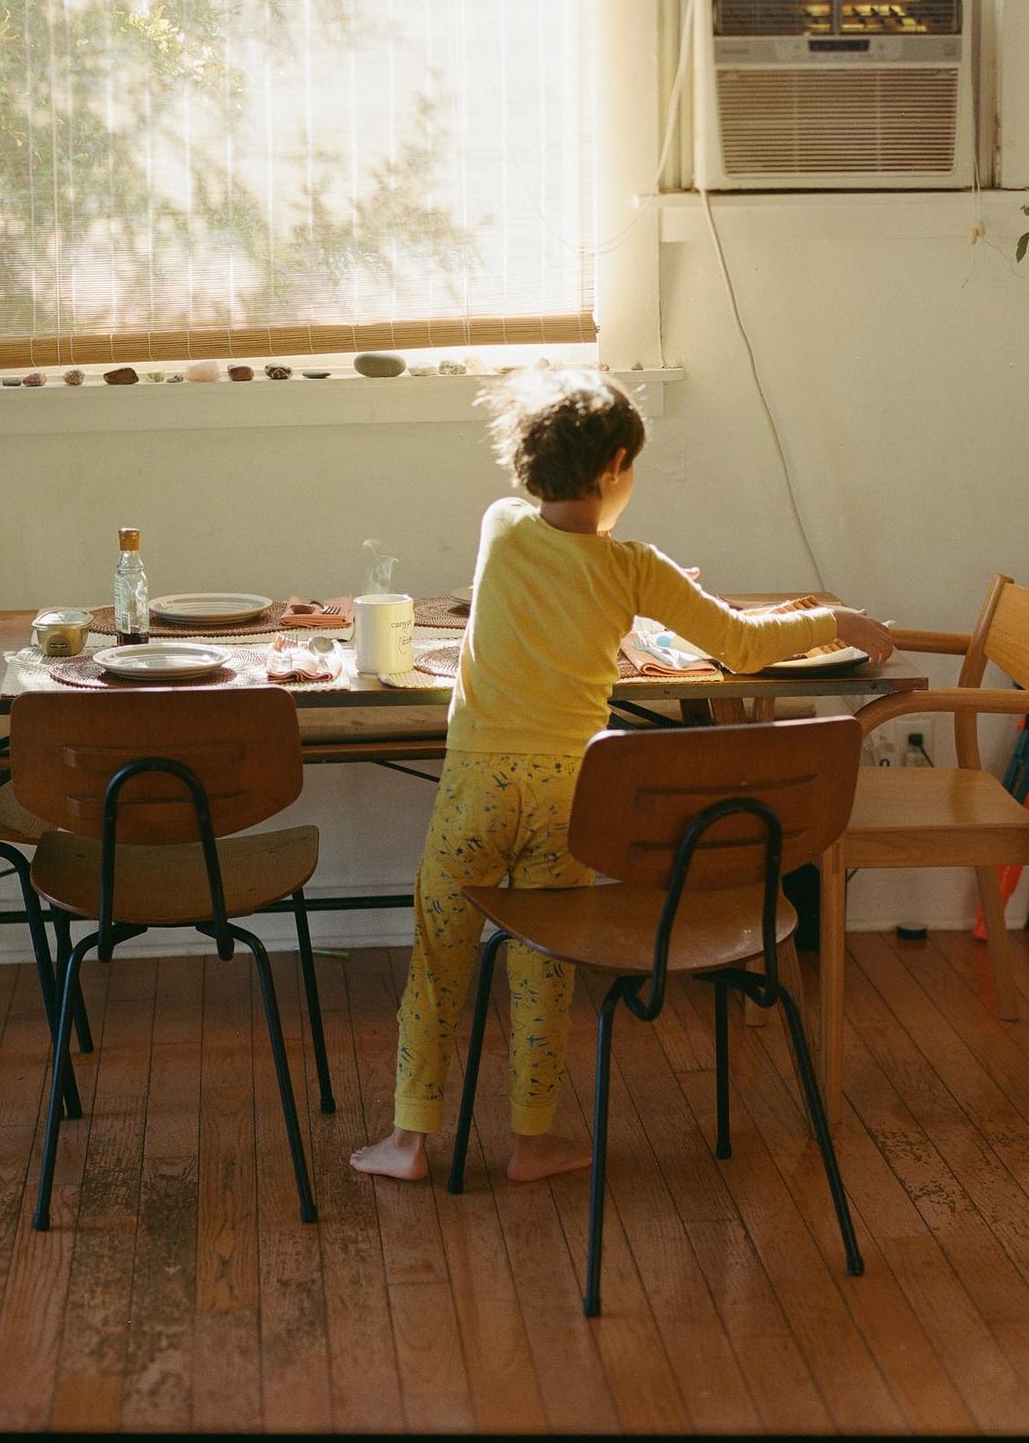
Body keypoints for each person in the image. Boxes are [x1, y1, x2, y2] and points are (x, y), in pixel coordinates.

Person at [350, 367, 894, 1182]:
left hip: (478, 788)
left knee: (440, 956)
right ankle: (532, 1144)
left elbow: (552, 567)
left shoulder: (501, 525)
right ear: (613, 466)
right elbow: (740, 645)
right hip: (572, 793)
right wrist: (839, 619)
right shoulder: (635, 569)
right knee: (543, 961)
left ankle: (408, 1142)